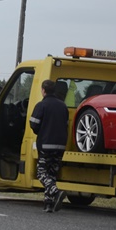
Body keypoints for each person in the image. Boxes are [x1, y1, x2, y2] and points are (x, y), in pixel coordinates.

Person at [29, 80, 69, 213]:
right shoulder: (63, 106)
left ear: (43, 90)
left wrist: (40, 131)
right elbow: (66, 125)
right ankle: (48, 204)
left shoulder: (42, 105)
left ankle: (55, 192)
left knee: (41, 173)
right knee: (51, 174)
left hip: (46, 145)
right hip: (60, 146)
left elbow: (33, 123)